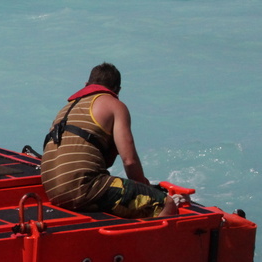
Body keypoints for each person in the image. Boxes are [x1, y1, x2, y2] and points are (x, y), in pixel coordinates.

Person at [39, 63, 185, 218]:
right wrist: (148, 190)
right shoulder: (115, 105)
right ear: (118, 90)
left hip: (52, 191)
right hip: (83, 189)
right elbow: (129, 160)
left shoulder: (66, 109)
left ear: (86, 85)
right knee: (165, 204)